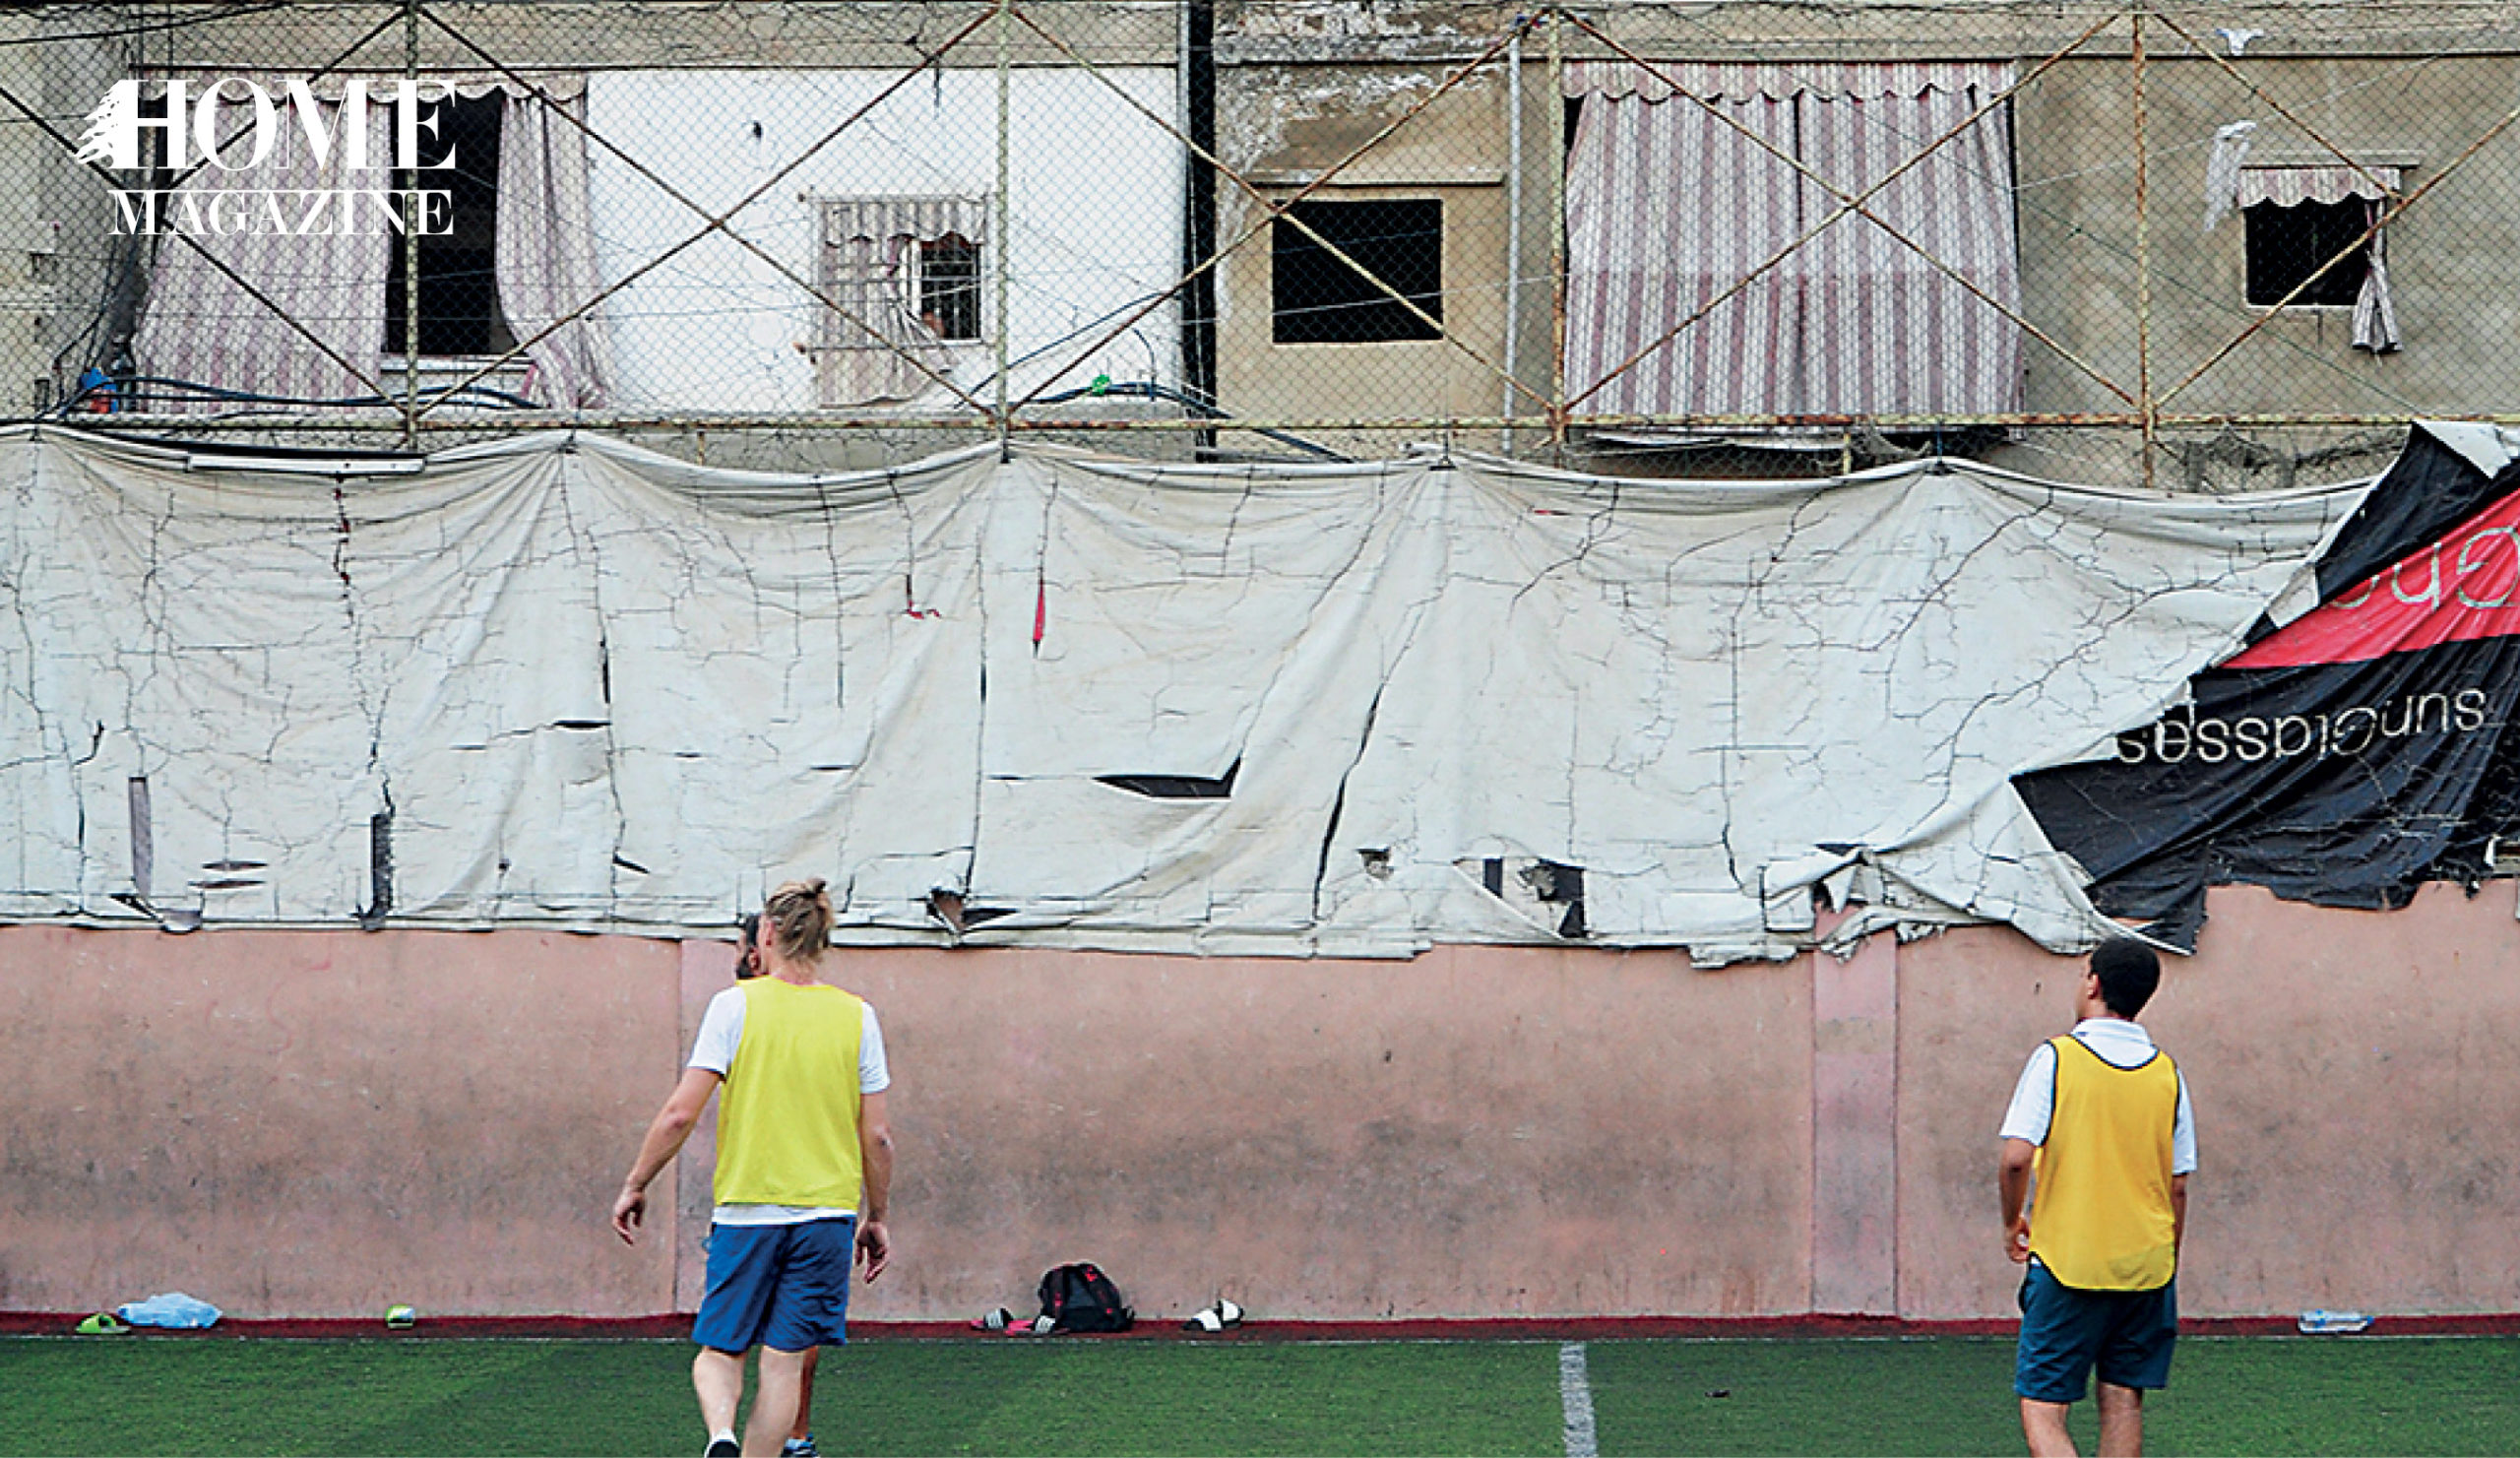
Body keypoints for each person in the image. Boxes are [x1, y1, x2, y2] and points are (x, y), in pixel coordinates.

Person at [614, 880, 893, 1458]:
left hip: (747, 1211)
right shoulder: (858, 1017)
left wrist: (636, 1183)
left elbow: (678, 1115)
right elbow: (879, 1135)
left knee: (720, 1350)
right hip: (826, 1217)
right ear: (823, 940)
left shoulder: (733, 1006)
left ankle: (720, 1436)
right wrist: (878, 1214)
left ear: (765, 936)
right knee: (785, 1366)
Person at [1998, 938, 2195, 1458]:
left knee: (2043, 1405)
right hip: (2147, 1264)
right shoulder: (2167, 1073)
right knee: (2123, 1400)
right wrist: (2167, 1253)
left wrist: (2010, 1220)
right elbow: (2178, 1184)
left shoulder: (2056, 1058)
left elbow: (2016, 1156)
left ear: (2093, 983)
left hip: (2070, 1259)